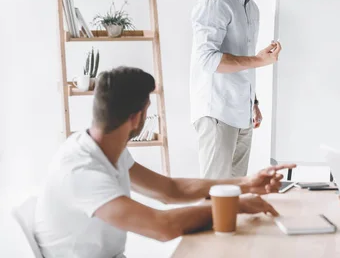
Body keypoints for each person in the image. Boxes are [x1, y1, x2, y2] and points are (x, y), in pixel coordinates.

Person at [34, 66, 294, 258]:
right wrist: (235, 206)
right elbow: (162, 227)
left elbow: (171, 190)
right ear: (137, 118)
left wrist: (246, 183)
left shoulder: (102, 146)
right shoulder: (82, 170)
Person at [190, 0, 282, 179]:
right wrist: (260, 61)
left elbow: (240, 56)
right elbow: (208, 59)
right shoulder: (215, 3)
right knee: (214, 195)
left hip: (241, 114)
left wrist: (253, 101)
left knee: (235, 194)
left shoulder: (251, 8)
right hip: (217, 113)